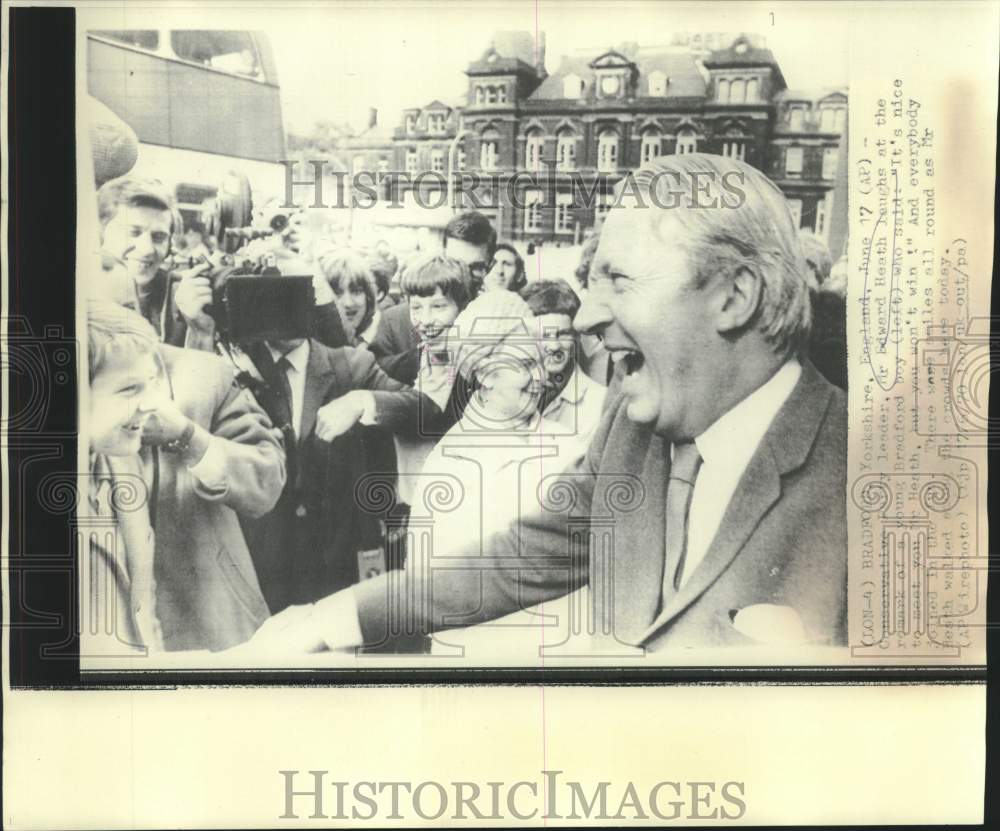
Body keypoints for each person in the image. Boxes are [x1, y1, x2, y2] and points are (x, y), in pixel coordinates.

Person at [248, 154, 847, 654]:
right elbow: (516, 559)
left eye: (621, 281)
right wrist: (331, 620)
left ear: (735, 297)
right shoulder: (631, 429)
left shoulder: (879, 478)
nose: (586, 317)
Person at [236, 331, 437, 612]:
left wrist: (362, 401)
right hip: (262, 566)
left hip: (337, 562)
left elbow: (427, 410)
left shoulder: (350, 365)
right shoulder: (233, 363)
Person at [84, 299, 165, 654]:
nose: (151, 404)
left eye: (150, 384)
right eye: (130, 389)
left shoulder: (123, 464)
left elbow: (143, 613)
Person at [97, 175, 216, 350]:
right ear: (99, 234)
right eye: (133, 232)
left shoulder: (183, 296)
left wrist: (199, 332)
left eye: (159, 237)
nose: (147, 249)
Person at [368, 210, 497, 359]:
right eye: (454, 263)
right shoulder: (395, 324)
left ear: (491, 266)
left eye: (476, 268)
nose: (464, 275)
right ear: (441, 255)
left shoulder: (501, 322)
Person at [520, 279, 606, 454]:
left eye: (563, 334)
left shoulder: (599, 404)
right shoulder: (512, 395)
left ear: (577, 336)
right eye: (543, 336)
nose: (554, 346)